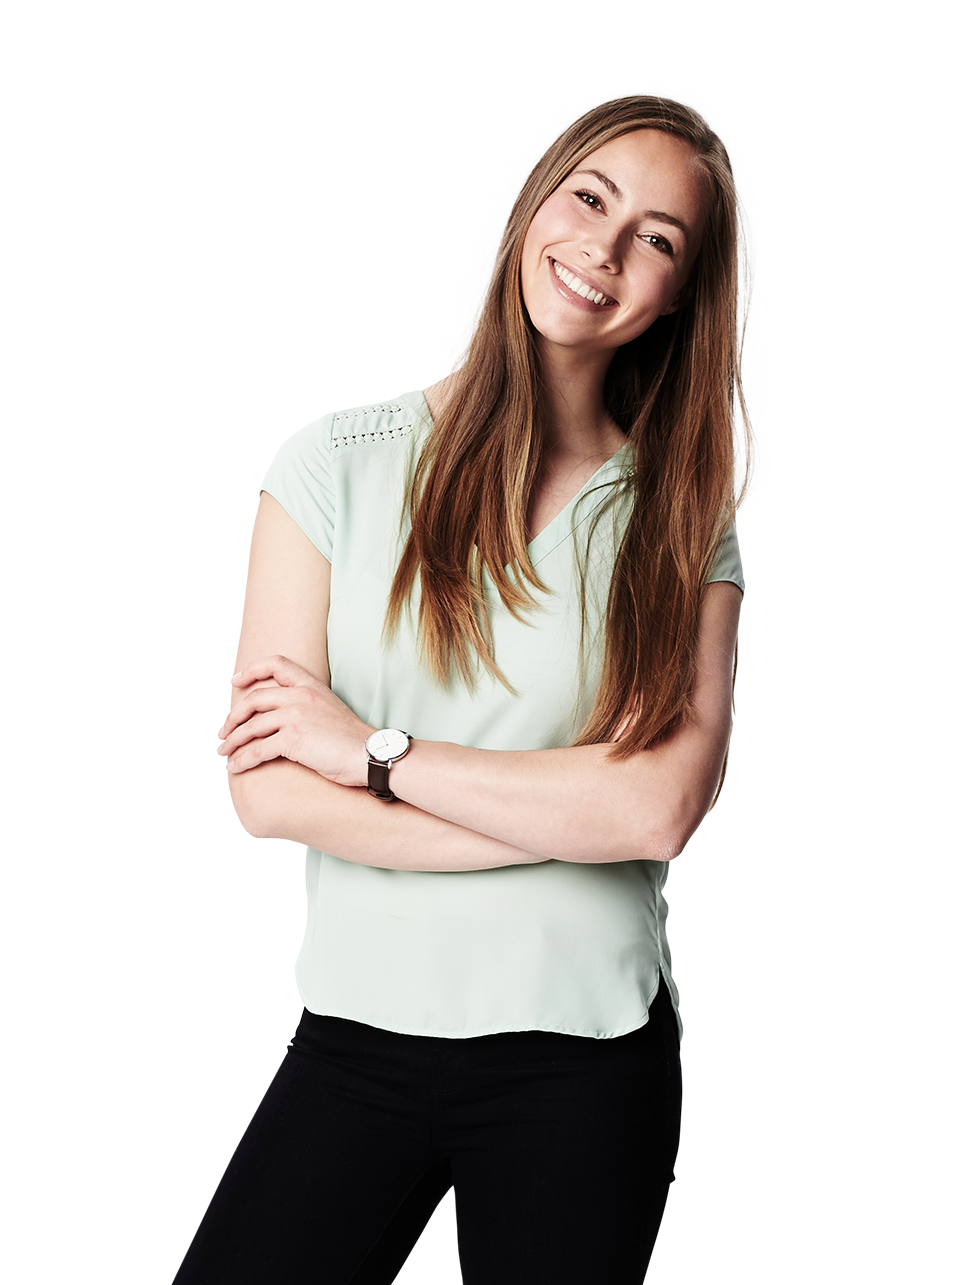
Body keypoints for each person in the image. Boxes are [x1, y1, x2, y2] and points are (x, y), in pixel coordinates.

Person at [176, 93, 754, 1284]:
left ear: (678, 295)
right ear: (533, 206)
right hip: (357, 1034)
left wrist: (373, 756)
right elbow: (268, 790)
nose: (603, 247)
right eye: (589, 198)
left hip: (584, 1057)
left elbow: (654, 812)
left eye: (655, 238)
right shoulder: (333, 468)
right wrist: (563, 818)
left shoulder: (679, 520)